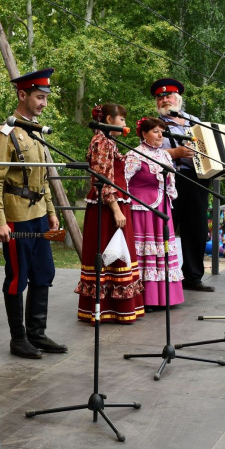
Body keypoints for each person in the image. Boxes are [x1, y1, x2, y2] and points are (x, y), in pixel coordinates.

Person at [0, 68, 68, 358]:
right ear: (22, 95)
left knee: (44, 273)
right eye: (39, 97)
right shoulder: (6, 134)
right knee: (17, 277)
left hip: (40, 214)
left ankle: (37, 333)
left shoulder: (36, 132)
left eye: (46, 97)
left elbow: (42, 177)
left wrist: (52, 212)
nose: (44, 103)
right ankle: (18, 338)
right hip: (16, 216)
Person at [75, 103, 145, 324]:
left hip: (116, 203)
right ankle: (107, 309)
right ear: (108, 119)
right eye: (121, 119)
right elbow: (102, 178)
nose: (124, 124)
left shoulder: (109, 141)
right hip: (107, 207)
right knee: (110, 253)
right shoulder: (101, 142)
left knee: (119, 254)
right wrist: (115, 209)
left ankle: (115, 308)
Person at [152, 78, 214, 292]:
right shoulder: (153, 125)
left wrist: (223, 148)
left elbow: (209, 143)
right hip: (170, 179)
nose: (164, 100)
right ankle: (160, 278)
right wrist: (175, 153)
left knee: (197, 229)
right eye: (160, 97)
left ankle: (193, 277)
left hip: (198, 180)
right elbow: (147, 152)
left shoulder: (193, 121)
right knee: (166, 228)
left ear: (178, 98)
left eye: (168, 96)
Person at [125, 117, 185, 307]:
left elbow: (169, 182)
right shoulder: (135, 155)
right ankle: (145, 297)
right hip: (142, 209)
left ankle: (164, 297)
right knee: (146, 250)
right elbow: (122, 182)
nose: (160, 135)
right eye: (155, 131)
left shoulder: (164, 155)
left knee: (162, 248)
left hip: (162, 207)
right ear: (144, 134)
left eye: (162, 132)